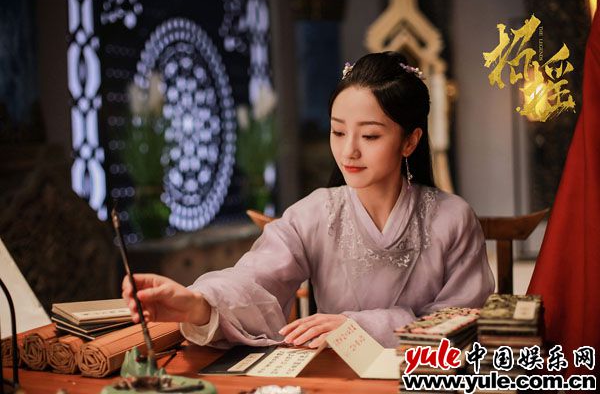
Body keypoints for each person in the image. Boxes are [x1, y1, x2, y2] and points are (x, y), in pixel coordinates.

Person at [122, 52, 495, 349]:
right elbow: (254, 280)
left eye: (369, 136)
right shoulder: (314, 214)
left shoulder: (452, 218)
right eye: (338, 131)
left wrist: (360, 328)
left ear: (410, 141)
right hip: (335, 378)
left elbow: (463, 321)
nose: (348, 151)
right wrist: (198, 304)